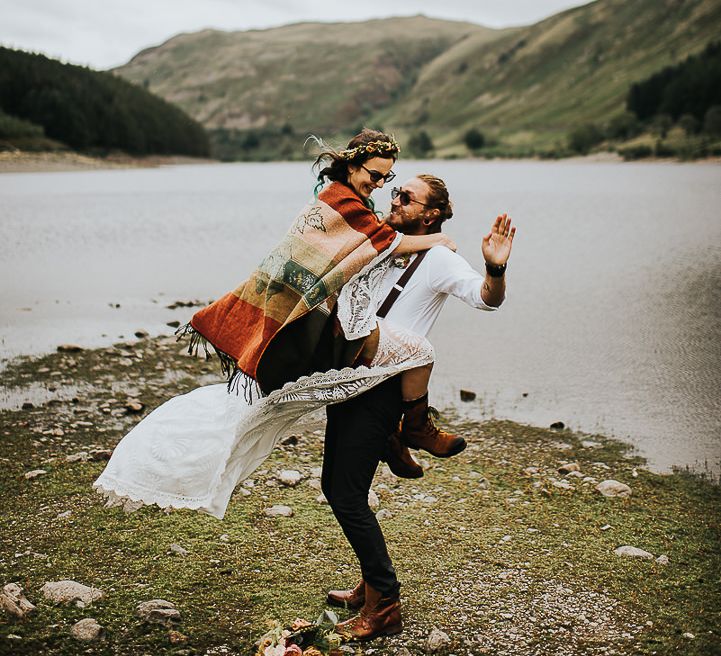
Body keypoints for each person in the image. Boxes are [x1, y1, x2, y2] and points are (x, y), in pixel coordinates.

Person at [93, 131, 457, 519]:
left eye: (388, 178)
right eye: (376, 175)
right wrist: (440, 240)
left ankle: (396, 435)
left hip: (328, 323)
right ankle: (412, 430)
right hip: (324, 329)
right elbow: (387, 243)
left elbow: (369, 244)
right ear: (352, 165)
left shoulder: (347, 200)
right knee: (418, 351)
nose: (381, 185)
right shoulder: (342, 203)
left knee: (269, 410)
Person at [323, 174, 516, 641]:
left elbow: (486, 300)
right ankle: (371, 583)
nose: (395, 199)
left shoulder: (438, 259)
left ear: (430, 213)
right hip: (350, 380)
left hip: (384, 389)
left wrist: (494, 268)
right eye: (394, 191)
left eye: (405, 197)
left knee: (343, 492)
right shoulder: (386, 244)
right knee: (349, 485)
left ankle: (384, 603)